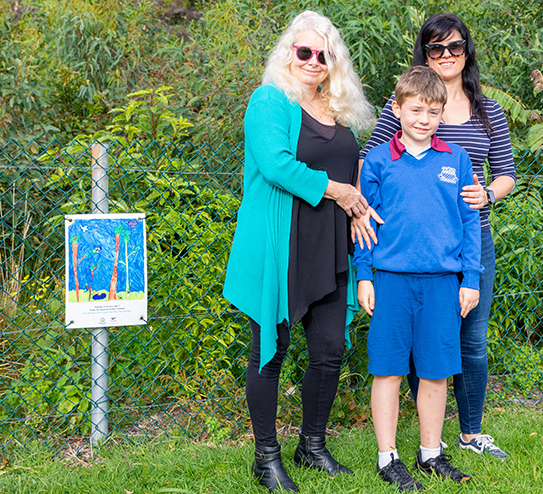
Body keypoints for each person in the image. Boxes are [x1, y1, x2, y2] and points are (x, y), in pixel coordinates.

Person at [221, 10, 376, 493]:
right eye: (303, 51)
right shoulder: (269, 101)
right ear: (289, 54)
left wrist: (357, 205)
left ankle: (311, 445)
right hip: (281, 245)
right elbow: (274, 165)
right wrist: (340, 193)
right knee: (272, 351)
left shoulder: (340, 112)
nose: (312, 60)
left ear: (333, 62)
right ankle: (266, 458)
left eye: (322, 54)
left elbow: (353, 171)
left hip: (329, 248)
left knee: (329, 352)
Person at [356, 13, 517, 459]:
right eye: (436, 48)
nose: (446, 56)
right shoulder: (407, 102)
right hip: (400, 255)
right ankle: (420, 441)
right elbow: (372, 162)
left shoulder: (487, 112)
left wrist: (485, 194)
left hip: (465, 243)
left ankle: (468, 431)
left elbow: (506, 175)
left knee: (471, 340)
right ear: (424, 54)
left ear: (467, 51)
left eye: (455, 47)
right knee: (410, 348)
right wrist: (362, 214)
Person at [355, 65, 482, 491]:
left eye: (432, 111)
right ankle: (387, 457)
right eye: (415, 110)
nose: (423, 119)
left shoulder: (456, 160)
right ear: (397, 108)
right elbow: (363, 225)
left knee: (435, 372)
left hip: (443, 284)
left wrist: (471, 278)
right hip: (390, 280)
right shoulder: (377, 160)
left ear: (441, 114)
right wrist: (364, 274)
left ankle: (431, 453)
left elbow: (469, 224)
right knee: (388, 370)